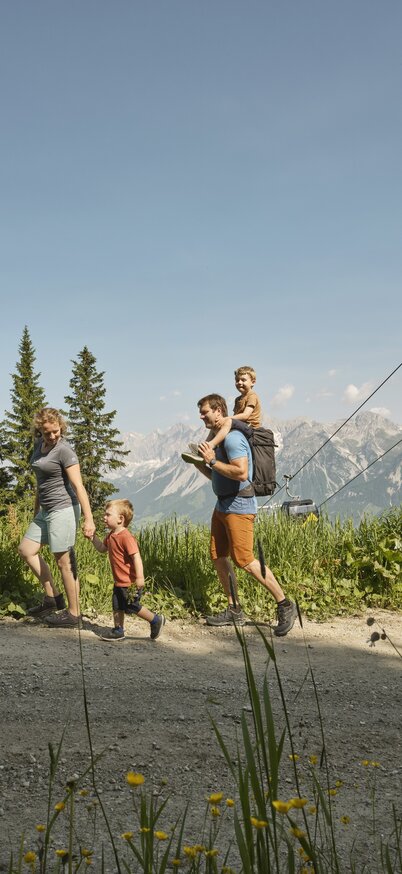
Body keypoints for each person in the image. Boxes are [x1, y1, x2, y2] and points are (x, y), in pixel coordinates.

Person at [194, 393, 297, 636]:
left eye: (205, 411)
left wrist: (211, 462)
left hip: (239, 507)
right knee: (218, 556)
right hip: (222, 506)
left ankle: (285, 604)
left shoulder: (232, 439)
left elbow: (240, 473)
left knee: (246, 560)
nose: (201, 416)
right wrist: (202, 464)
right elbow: (219, 474)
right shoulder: (219, 441)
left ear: (219, 411)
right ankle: (234, 609)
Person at [19, 407, 95, 629]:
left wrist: (89, 519)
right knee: (26, 550)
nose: (52, 436)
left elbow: (78, 486)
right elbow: (40, 482)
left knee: (64, 561)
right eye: (47, 433)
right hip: (46, 510)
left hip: (64, 509)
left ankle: (73, 614)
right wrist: (36, 510)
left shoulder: (65, 451)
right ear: (39, 431)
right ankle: (53, 597)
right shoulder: (38, 447)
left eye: (55, 431)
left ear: (61, 427)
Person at [90, 498, 165, 642]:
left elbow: (136, 557)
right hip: (118, 581)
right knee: (117, 605)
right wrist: (93, 538)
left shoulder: (126, 537)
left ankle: (155, 620)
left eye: (107, 514)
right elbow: (101, 549)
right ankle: (118, 630)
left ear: (120, 519)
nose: (104, 517)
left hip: (129, 582)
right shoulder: (111, 535)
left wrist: (140, 577)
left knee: (132, 606)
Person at [184, 366, 261, 464]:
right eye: (237, 380)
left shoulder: (252, 396)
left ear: (253, 382)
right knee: (216, 426)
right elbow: (236, 415)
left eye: (243, 380)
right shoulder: (238, 399)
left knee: (228, 421)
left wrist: (226, 419)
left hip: (251, 427)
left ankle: (211, 445)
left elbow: (245, 415)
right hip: (242, 425)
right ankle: (203, 447)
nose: (239, 382)